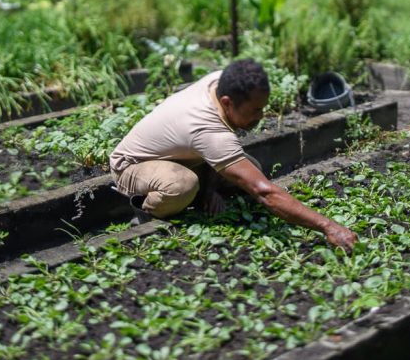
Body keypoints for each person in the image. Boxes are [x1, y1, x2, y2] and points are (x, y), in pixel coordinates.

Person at [109, 58, 358, 251]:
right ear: (227, 103)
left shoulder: (221, 83)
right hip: (132, 166)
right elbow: (265, 192)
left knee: (251, 166)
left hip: (180, 156)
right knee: (182, 186)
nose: (261, 117)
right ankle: (146, 214)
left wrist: (211, 189)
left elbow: (204, 148)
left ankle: (197, 193)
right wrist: (328, 226)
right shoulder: (208, 129)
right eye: (255, 110)